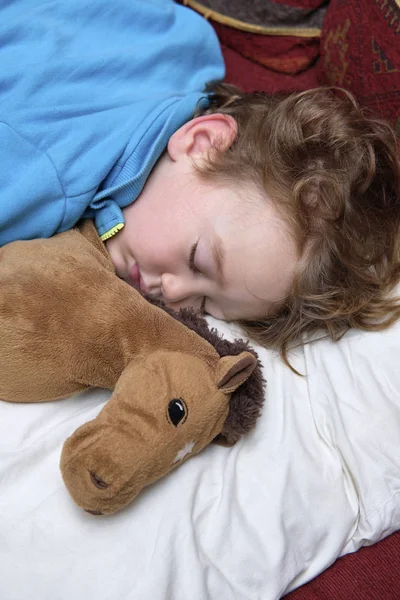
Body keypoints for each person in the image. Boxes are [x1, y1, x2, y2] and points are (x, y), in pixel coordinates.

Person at [1, 1, 400, 369]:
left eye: (207, 304)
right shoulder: (43, 182)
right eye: (197, 260)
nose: (173, 295)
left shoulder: (184, 40)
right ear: (202, 141)